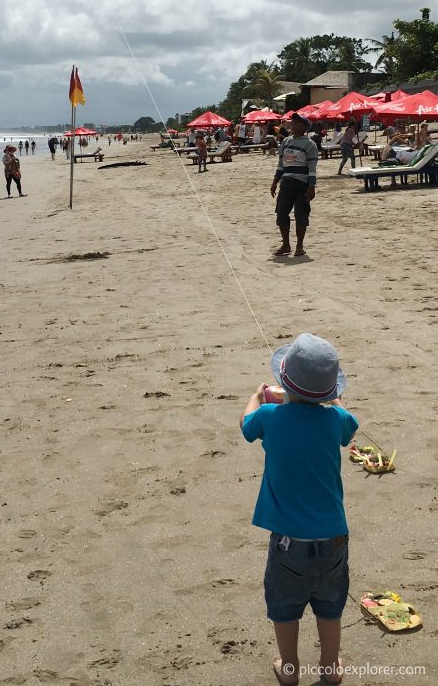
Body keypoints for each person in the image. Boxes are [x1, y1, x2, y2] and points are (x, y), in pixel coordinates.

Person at [240, 333, 358, 686]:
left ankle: (289, 668)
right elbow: (347, 423)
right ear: (329, 391)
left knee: (284, 606)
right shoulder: (335, 420)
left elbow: (247, 427)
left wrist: (255, 397)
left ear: (283, 381)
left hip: (289, 543)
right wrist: (331, 399)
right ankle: (330, 666)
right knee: (330, 604)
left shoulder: (269, 415)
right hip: (334, 538)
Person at [270, 113, 317, 257]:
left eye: (297, 123)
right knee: (281, 214)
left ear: (304, 127)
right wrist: (275, 181)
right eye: (292, 122)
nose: (293, 125)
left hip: (302, 185)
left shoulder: (310, 144)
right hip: (286, 183)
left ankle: (299, 245)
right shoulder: (286, 142)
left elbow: (312, 168)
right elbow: (281, 164)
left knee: (301, 215)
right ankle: (286, 244)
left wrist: (311, 186)